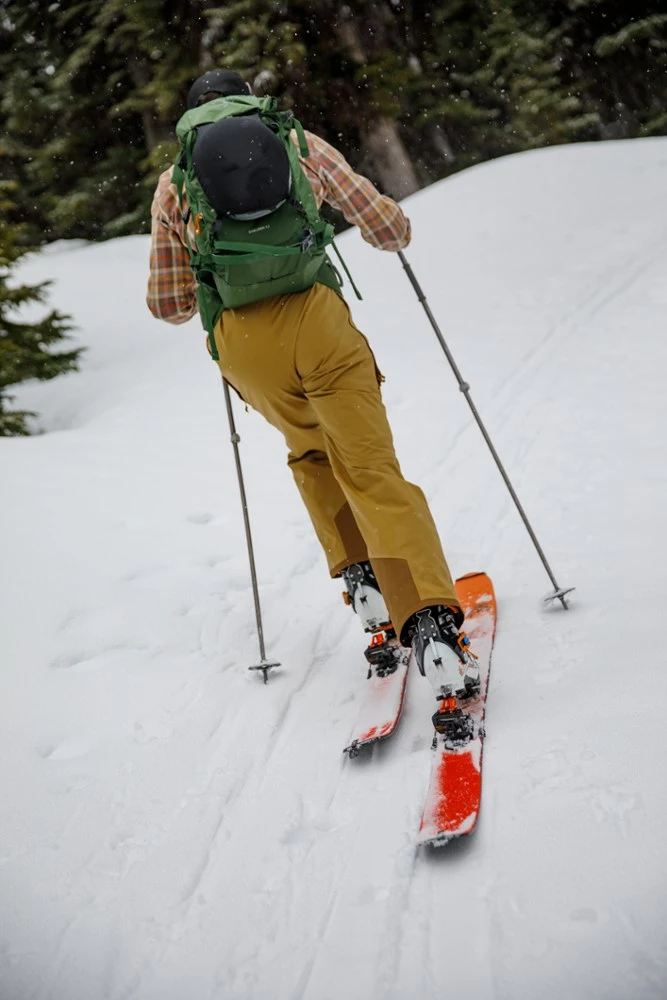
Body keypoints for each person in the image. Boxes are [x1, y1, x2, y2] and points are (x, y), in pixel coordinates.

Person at [147, 69, 479, 702]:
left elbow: (168, 305)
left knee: (311, 451)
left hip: (245, 351)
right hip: (318, 323)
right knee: (371, 470)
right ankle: (432, 627)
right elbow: (386, 227)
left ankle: (366, 586)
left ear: (191, 120)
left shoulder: (175, 183)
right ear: (249, 100)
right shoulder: (296, 142)